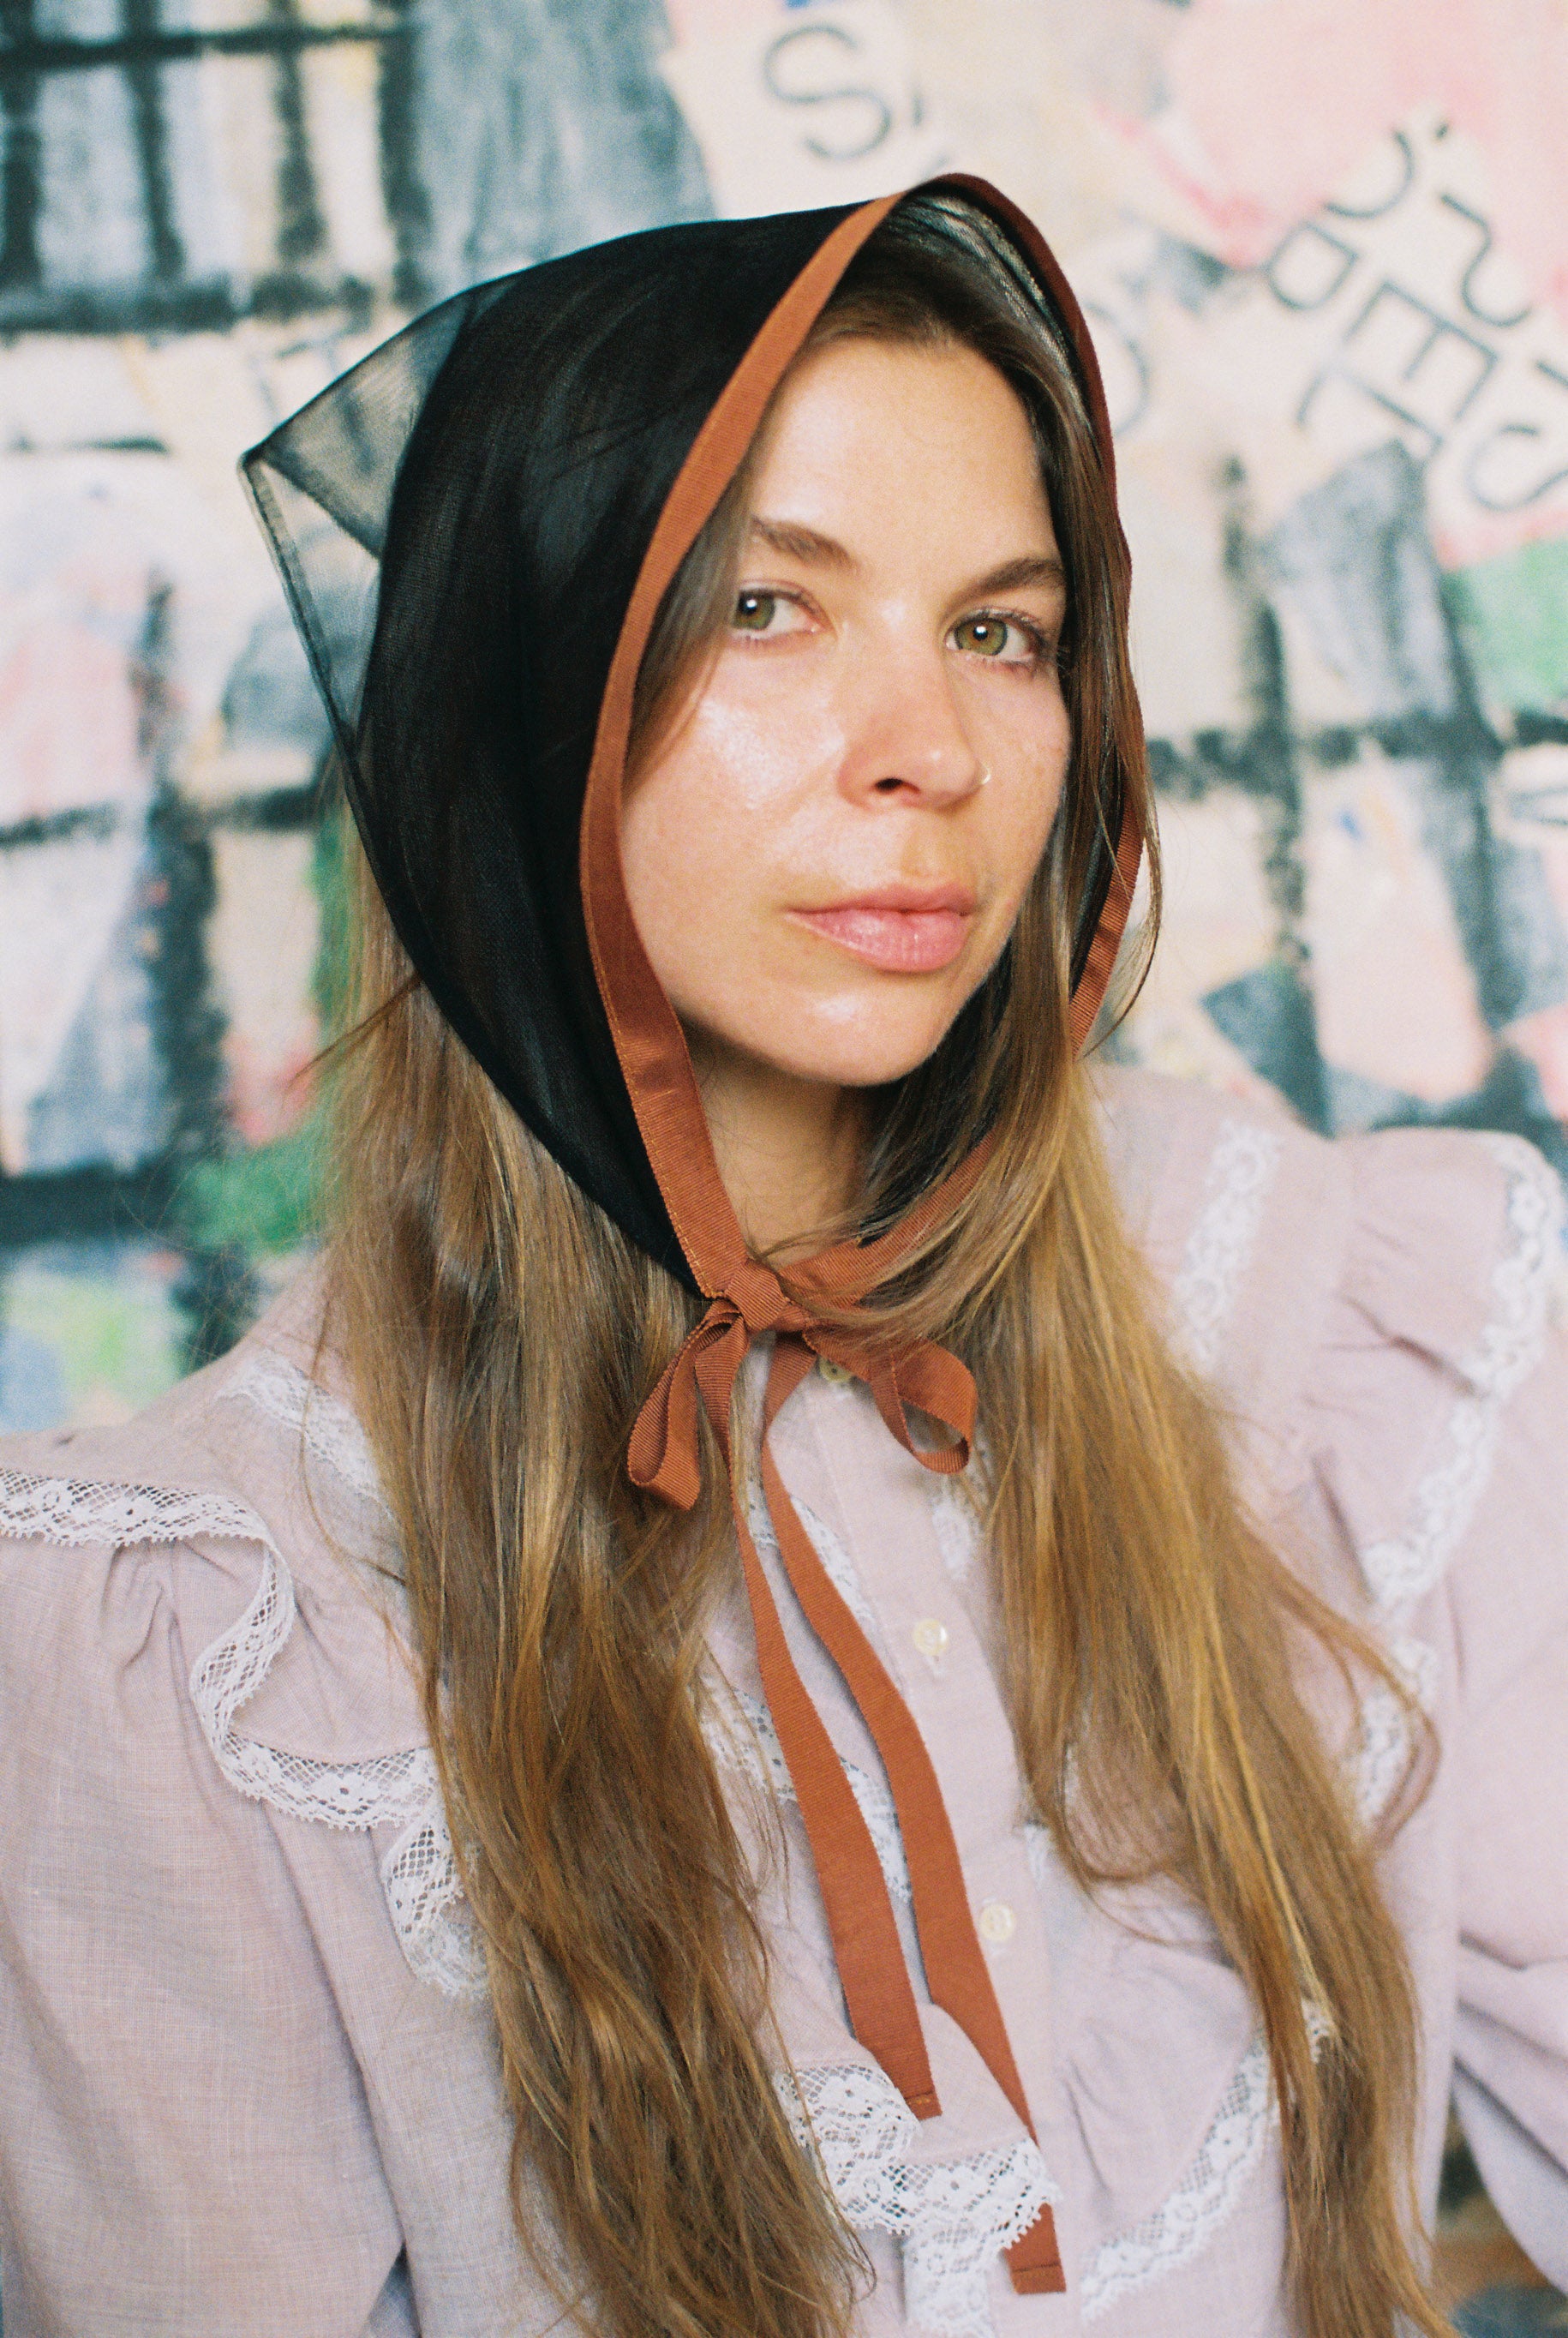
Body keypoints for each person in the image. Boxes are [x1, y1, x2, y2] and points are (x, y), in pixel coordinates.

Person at [0, 180, 1563, 2338]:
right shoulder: (208, 1633)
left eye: (1003, 630)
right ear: (513, 707)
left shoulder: (1345, 1321)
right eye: (765, 606)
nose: (931, 745)